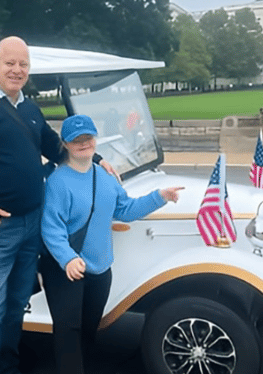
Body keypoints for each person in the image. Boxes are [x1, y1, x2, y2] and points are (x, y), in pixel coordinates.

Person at [0, 36, 119, 374]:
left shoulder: (29, 108)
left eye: (23, 64)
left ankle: (7, 367)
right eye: (10, 63)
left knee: (15, 306)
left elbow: (55, 148)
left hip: (30, 225)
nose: (17, 70)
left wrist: (95, 158)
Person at [39, 114, 184, 374]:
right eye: (77, 140)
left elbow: (125, 209)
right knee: (68, 331)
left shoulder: (106, 177)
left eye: (89, 138)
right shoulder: (57, 182)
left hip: (100, 269)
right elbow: (52, 228)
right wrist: (67, 258)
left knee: (88, 329)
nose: (84, 144)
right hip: (66, 270)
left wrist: (160, 197)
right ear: (66, 144)